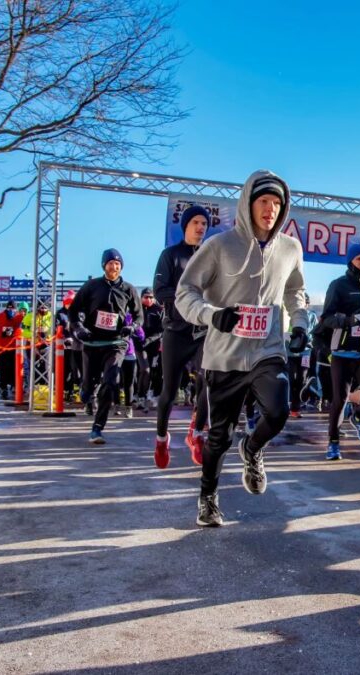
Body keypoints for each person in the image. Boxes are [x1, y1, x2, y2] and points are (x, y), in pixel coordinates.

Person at [176, 170, 308, 528]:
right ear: (248, 204)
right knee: (219, 436)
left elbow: (295, 291)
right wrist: (211, 315)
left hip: (268, 349)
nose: (270, 210)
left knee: (278, 411)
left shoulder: (290, 248)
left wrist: (299, 325)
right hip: (225, 354)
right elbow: (185, 291)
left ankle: (252, 448)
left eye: (277, 204)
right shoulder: (220, 246)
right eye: (264, 202)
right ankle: (208, 499)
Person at [153, 204, 211, 469]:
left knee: (208, 383)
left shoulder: (211, 257)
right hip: (176, 331)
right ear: (185, 226)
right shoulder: (171, 255)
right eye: (195, 222)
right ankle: (161, 438)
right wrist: (187, 299)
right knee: (169, 392)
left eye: (204, 224)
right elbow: (159, 290)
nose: (200, 227)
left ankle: (197, 434)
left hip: (202, 332)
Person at [314, 243, 360, 460]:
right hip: (342, 353)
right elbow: (326, 318)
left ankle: (359, 417)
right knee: (340, 399)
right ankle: (333, 444)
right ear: (350, 261)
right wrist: (347, 321)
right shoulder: (339, 285)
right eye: (359, 259)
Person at [69, 249, 143, 444]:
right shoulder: (91, 286)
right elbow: (73, 311)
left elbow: (139, 316)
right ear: (104, 266)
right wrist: (79, 329)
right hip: (92, 342)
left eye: (118, 263)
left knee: (111, 382)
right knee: (88, 385)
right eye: (110, 263)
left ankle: (97, 428)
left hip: (116, 343)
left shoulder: (129, 289)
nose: (114, 266)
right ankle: (86, 393)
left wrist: (131, 327)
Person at [287, 293, 317, 418]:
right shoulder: (289, 316)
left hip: (305, 352)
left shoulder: (311, 316)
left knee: (301, 379)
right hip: (289, 353)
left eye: (305, 302)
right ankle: (289, 405)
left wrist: (309, 342)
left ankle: (295, 409)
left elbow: (315, 332)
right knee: (290, 379)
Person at [136, 288, 163, 410]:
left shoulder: (158, 310)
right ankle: (140, 396)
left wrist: (149, 340)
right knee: (144, 370)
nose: (149, 299)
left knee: (152, 372)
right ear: (141, 297)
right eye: (146, 297)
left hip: (153, 346)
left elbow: (160, 331)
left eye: (151, 297)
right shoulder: (137, 310)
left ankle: (147, 394)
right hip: (139, 346)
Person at [0, 300, 22, 399]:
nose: (11, 310)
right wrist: (2, 333)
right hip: (1, 348)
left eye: (13, 308)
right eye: (9, 308)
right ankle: (3, 387)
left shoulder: (18, 317)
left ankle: (14, 385)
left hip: (14, 347)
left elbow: (23, 329)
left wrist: (16, 332)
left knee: (14, 368)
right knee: (3, 368)